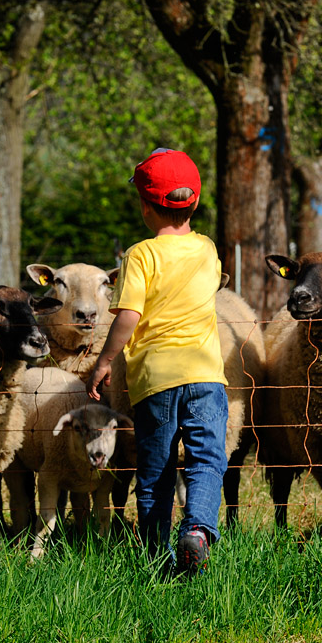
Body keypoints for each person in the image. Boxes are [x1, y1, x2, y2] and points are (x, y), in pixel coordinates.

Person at [86, 148, 228, 577]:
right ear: (195, 203)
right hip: (206, 375)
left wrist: (105, 360)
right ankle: (199, 531)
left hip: (156, 381)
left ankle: (155, 558)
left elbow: (128, 315)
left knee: (156, 474)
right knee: (206, 461)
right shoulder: (207, 249)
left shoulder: (139, 256)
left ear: (146, 206)